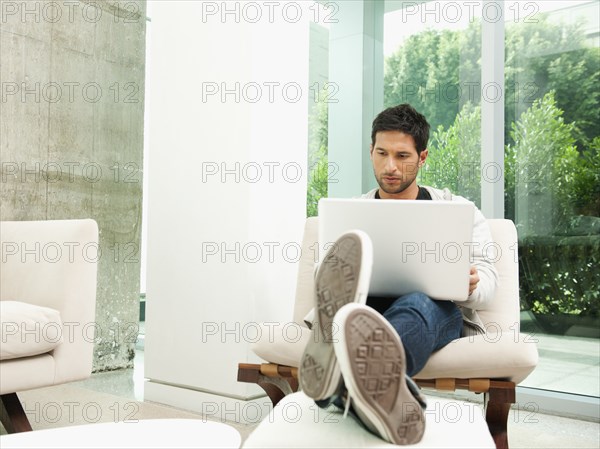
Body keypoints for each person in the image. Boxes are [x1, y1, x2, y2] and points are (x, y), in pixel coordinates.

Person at [298, 104, 498, 445]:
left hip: (436, 309)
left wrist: (473, 283)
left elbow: (490, 280)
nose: (390, 166)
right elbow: (327, 275)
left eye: (402, 155)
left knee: (417, 303)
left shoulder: (458, 209)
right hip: (366, 306)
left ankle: (340, 379)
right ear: (371, 152)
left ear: (423, 158)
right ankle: (376, 392)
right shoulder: (351, 211)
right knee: (349, 306)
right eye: (381, 153)